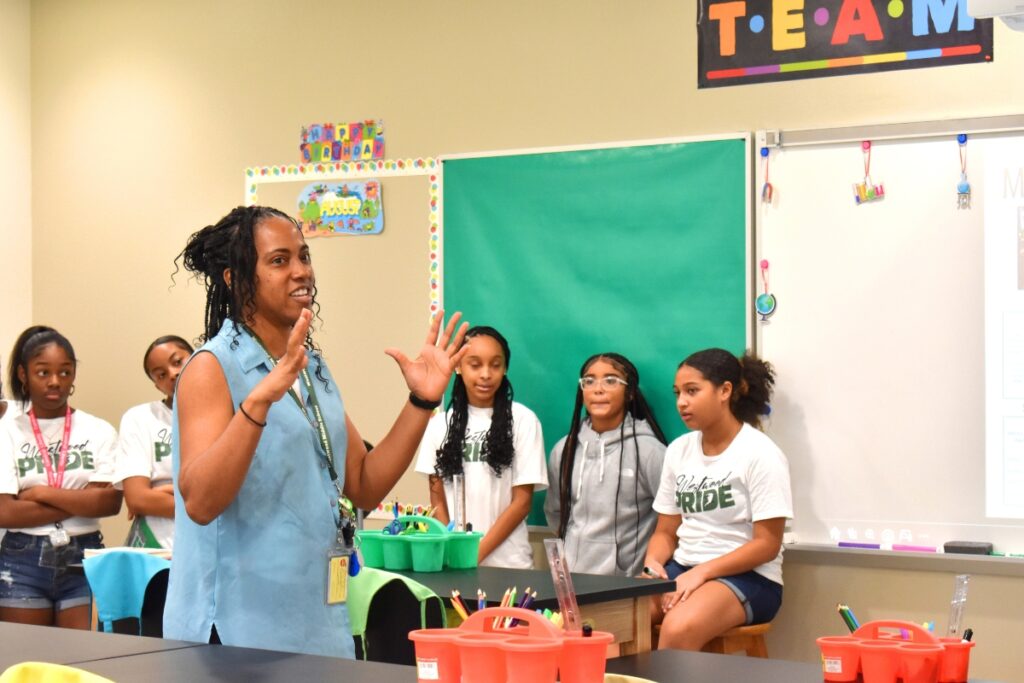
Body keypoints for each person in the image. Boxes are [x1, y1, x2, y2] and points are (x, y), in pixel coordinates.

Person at [163, 205, 468, 658]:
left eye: (304, 256)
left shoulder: (310, 368)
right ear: (235, 278)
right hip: (236, 633)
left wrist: (421, 402)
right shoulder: (212, 366)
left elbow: (363, 486)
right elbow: (201, 502)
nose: (302, 271)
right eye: (279, 260)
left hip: (317, 624)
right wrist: (259, 402)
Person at [644, 348, 792, 651]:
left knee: (678, 627)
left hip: (751, 578)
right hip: (683, 568)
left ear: (725, 391)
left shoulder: (760, 454)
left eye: (692, 391)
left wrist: (702, 573)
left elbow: (767, 544)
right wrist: (652, 565)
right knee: (618, 616)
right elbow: (665, 531)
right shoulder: (678, 450)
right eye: (678, 393)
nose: (681, 402)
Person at [0, 326, 121, 629]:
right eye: (43, 373)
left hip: (83, 555)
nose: (55, 382)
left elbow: (109, 503)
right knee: (28, 665)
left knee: (79, 663)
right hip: (21, 559)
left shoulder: (99, 429)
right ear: (23, 375)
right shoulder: (7, 431)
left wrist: (41, 492)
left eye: (65, 373)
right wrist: (84, 499)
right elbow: (6, 512)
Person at [414, 326, 547, 569]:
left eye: (495, 365)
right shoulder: (439, 425)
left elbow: (521, 503)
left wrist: (474, 555)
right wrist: (452, 550)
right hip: (455, 564)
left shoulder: (524, 420)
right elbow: (437, 498)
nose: (486, 374)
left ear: (505, 368)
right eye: (475, 365)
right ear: (458, 367)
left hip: (510, 566)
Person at [545, 353, 667, 576]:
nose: (598, 389)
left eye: (611, 380)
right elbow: (555, 512)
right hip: (570, 579)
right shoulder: (564, 450)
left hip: (626, 583)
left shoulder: (650, 451)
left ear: (629, 392)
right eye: (589, 381)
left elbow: (670, 521)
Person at [114, 335, 194, 549]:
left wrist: (164, 490)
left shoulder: (226, 412)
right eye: (160, 374)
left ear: (198, 358)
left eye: (178, 362)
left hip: (211, 544)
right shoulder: (140, 418)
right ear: (157, 385)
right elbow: (138, 499)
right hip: (156, 547)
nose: (173, 374)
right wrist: (197, 502)